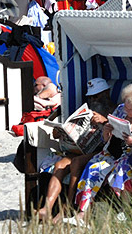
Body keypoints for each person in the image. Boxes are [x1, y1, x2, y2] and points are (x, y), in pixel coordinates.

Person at [71, 82, 132, 222]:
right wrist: (106, 132)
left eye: (130, 109)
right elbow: (106, 138)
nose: (126, 110)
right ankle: (83, 212)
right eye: (125, 105)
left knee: (122, 169)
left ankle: (124, 210)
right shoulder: (120, 109)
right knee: (93, 167)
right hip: (113, 151)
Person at [36, 78, 114, 223]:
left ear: (106, 93)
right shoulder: (86, 110)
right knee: (59, 166)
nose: (93, 100)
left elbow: (116, 138)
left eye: (96, 96)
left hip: (100, 152)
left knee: (76, 163)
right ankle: (47, 208)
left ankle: (68, 207)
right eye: (90, 97)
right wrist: (60, 132)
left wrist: (104, 121)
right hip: (81, 149)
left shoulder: (114, 110)